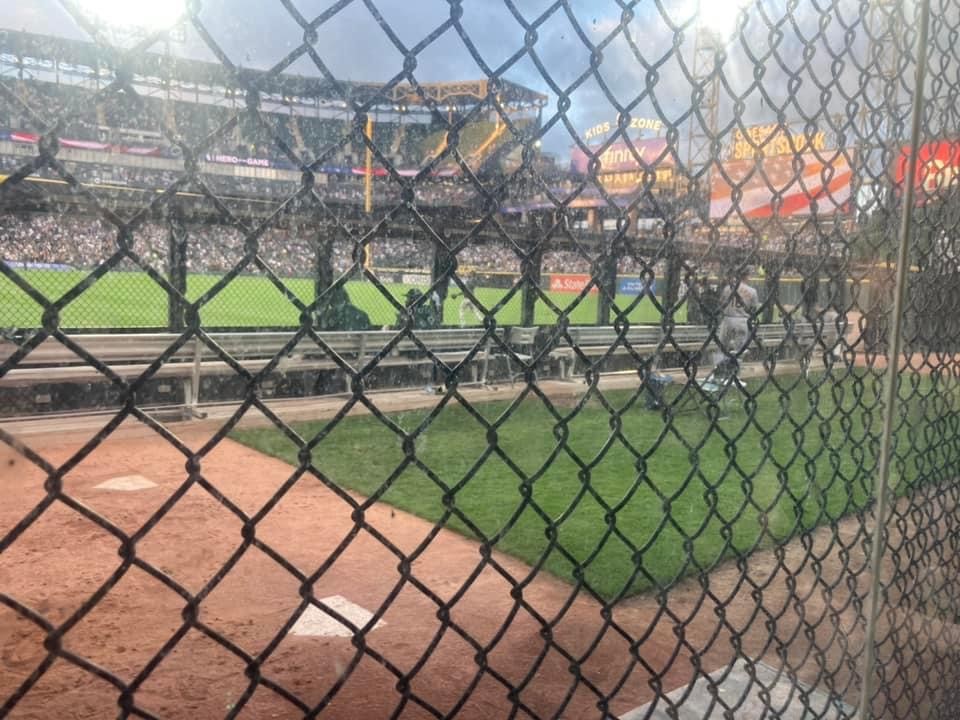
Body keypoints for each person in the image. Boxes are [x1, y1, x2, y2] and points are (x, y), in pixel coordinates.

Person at [715, 267, 759, 370]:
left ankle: (718, 368)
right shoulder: (752, 291)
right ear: (747, 276)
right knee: (739, 350)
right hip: (742, 321)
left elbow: (721, 303)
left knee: (722, 347)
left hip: (727, 319)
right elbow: (754, 309)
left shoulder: (728, 288)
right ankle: (736, 370)